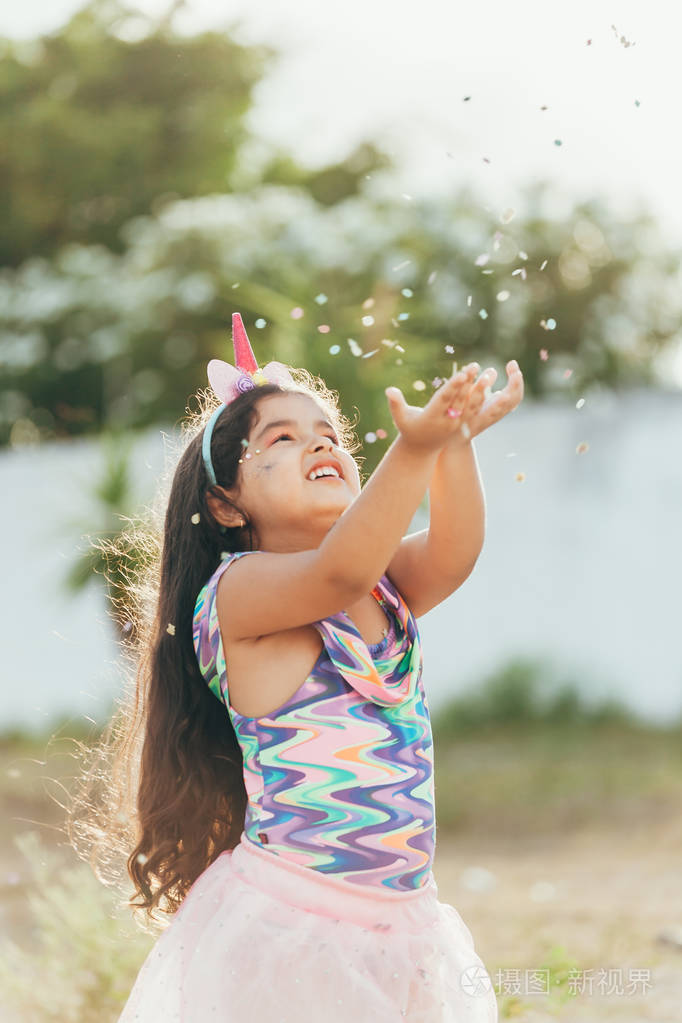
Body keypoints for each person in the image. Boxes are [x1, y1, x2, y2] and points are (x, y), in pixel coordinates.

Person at [109, 312, 523, 1021]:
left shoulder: (379, 583)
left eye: (330, 434)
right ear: (223, 501)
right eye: (283, 438)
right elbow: (336, 571)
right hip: (293, 925)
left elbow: (453, 551)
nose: (321, 443)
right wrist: (414, 449)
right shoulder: (238, 592)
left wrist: (451, 444)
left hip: (401, 923)